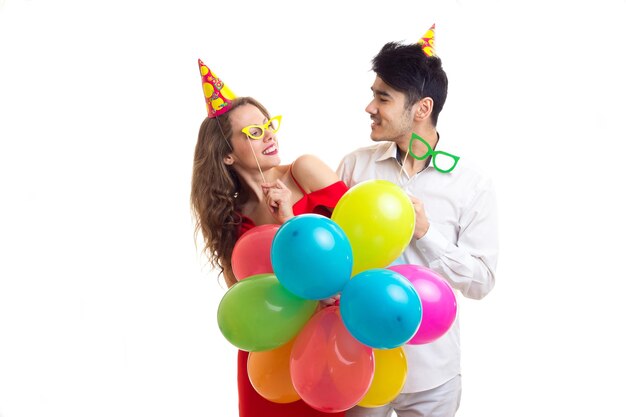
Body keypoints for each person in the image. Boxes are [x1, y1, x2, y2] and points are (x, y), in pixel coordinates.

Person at [337, 25, 498, 417]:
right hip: (361, 364)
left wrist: (428, 234)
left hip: (432, 376)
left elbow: (482, 282)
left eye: (383, 98)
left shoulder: (471, 184)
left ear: (421, 109)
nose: (370, 107)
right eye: (373, 95)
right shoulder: (355, 166)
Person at [191, 59, 348, 417]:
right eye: (254, 133)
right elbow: (243, 294)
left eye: (268, 125)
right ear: (227, 154)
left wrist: (288, 221)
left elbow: (352, 246)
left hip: (324, 344)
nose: (270, 135)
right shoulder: (228, 218)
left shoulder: (304, 171)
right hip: (268, 356)